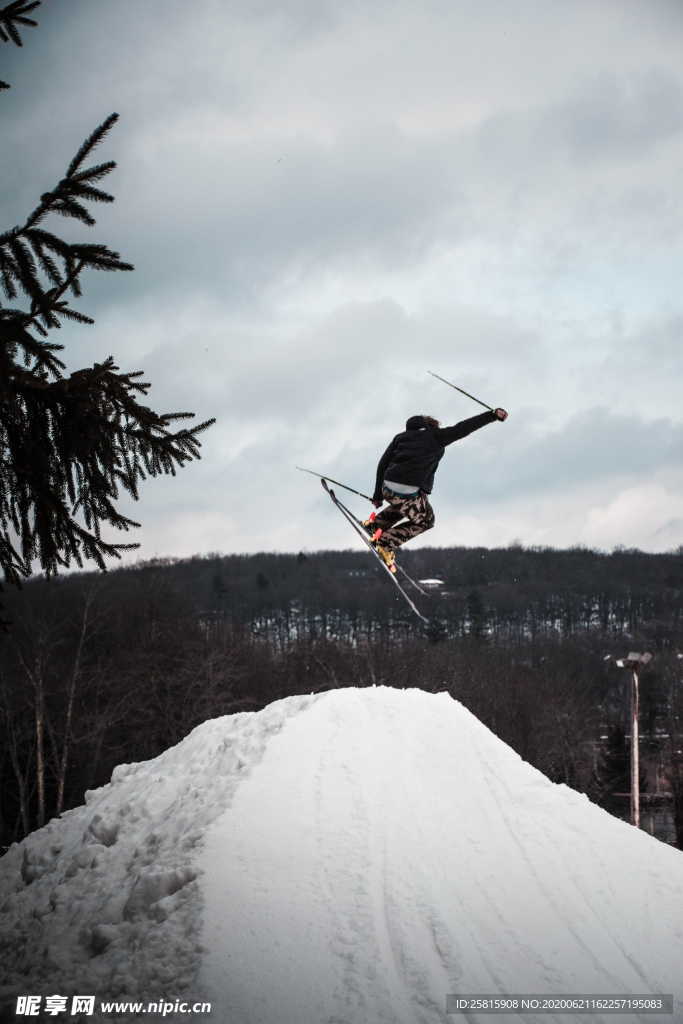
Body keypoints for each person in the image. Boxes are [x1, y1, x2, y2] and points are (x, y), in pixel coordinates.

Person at [363, 407, 508, 570]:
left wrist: (377, 496)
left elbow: (382, 464)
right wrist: (492, 416)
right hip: (406, 490)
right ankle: (385, 542)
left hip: (387, 487)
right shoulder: (435, 436)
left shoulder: (400, 438)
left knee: (411, 505)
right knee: (426, 520)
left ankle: (375, 525)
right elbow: (463, 428)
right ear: (431, 426)